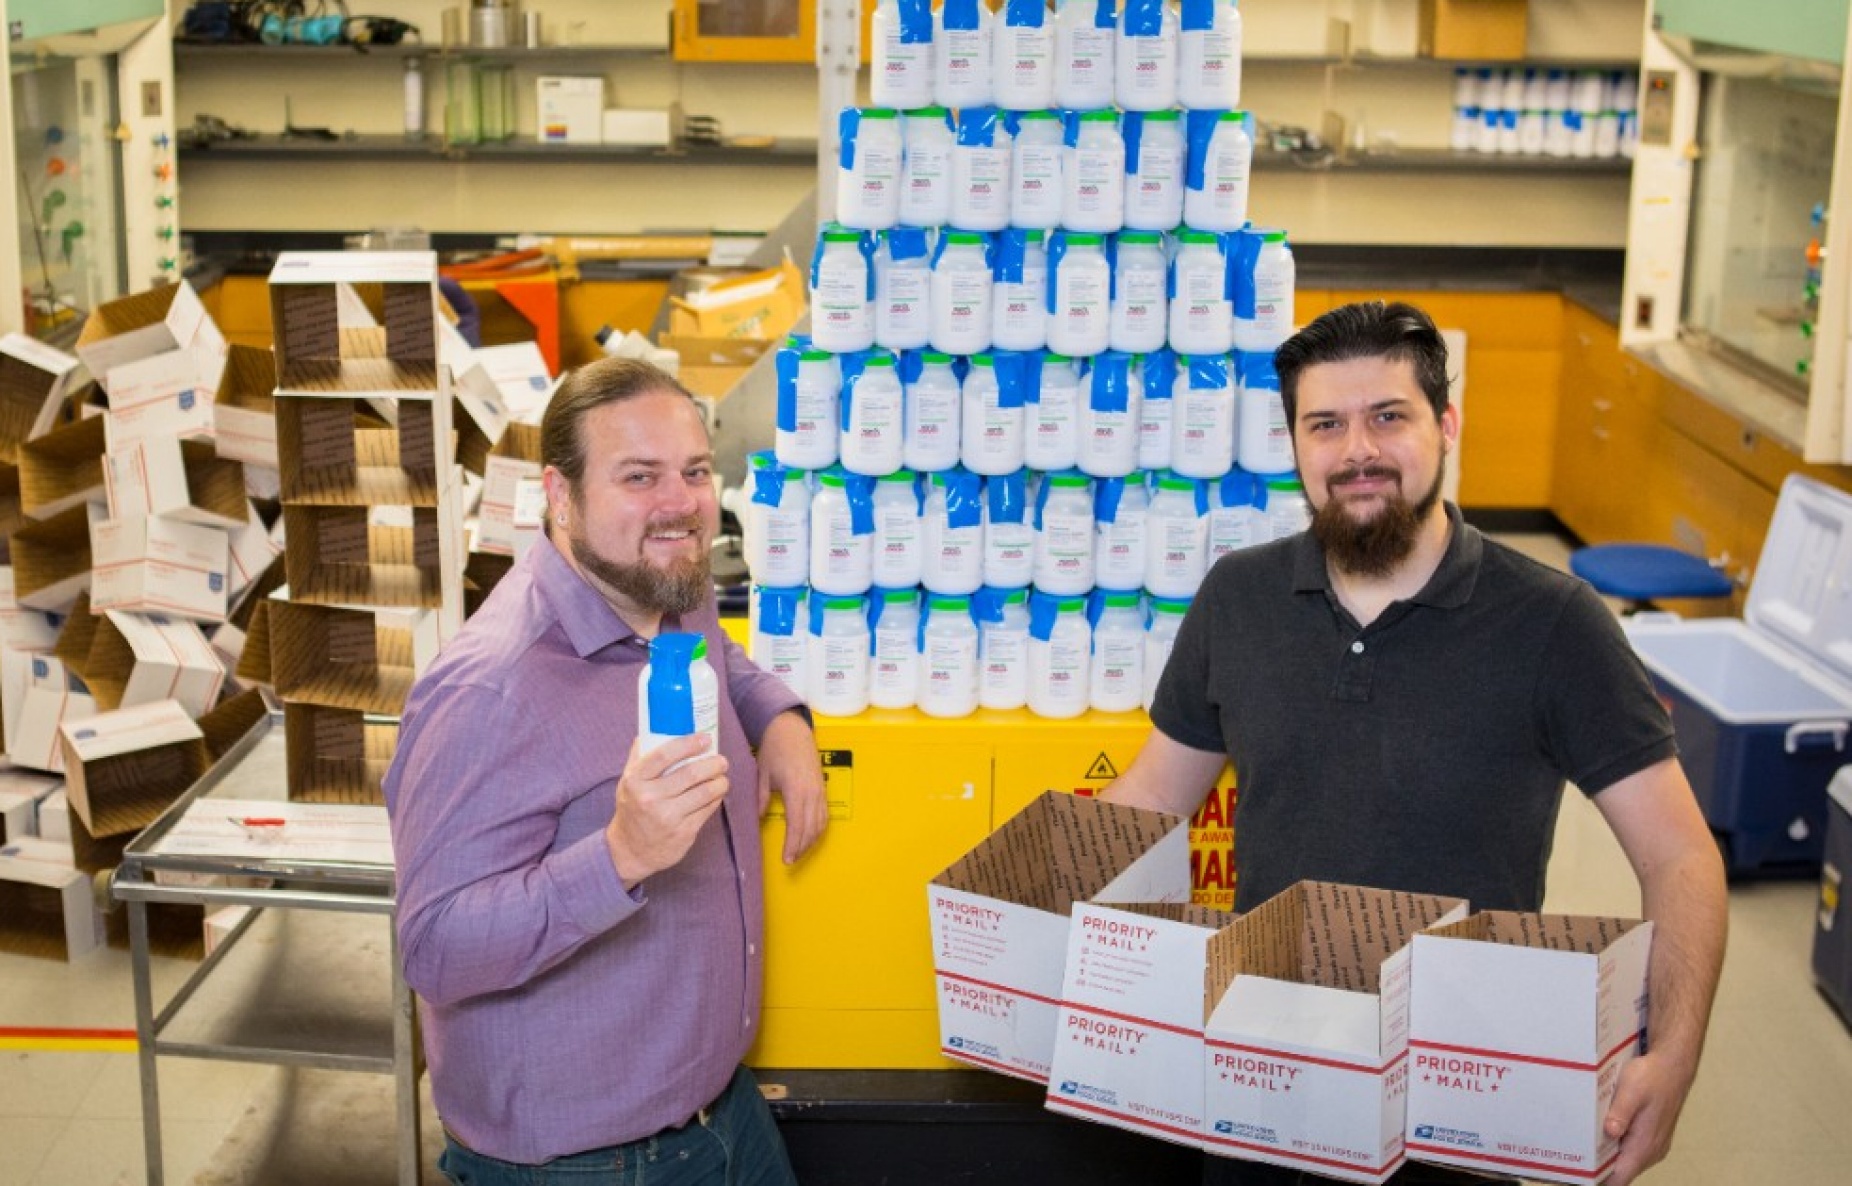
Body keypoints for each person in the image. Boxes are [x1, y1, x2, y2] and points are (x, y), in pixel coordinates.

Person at [1103, 301, 1727, 1186]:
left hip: (1461, 1091)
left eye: (1388, 417)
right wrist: (1034, 905)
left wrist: (1675, 1052)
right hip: (1264, 1072)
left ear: (1447, 426)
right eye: (1326, 425)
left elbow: (1680, 858)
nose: (1357, 449)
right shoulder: (1237, 600)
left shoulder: (1553, 624)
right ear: (1295, 445)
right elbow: (1154, 800)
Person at [385, 357, 829, 1185]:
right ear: (560, 495)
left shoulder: (668, 586)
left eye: (695, 472)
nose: (681, 503)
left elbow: (722, 663)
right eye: (639, 477)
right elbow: (433, 947)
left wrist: (780, 718)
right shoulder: (488, 690)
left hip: (723, 1110)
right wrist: (621, 853)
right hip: (586, 1162)